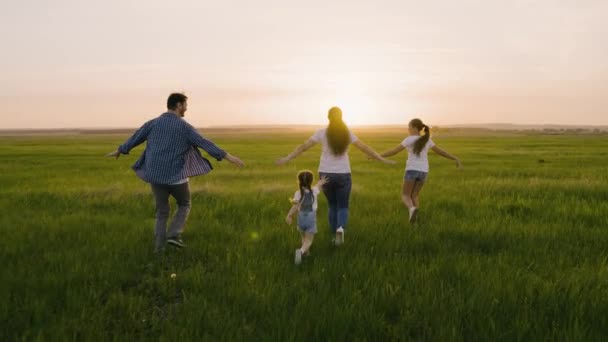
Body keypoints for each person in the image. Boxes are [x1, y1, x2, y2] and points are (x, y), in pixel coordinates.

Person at [105, 93, 244, 252]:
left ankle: (159, 249)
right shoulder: (184, 127)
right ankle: (174, 235)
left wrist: (120, 150)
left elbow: (136, 137)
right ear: (178, 105)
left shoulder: (153, 123)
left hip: (155, 176)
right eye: (185, 105)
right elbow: (205, 143)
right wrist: (229, 157)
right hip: (176, 177)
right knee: (184, 203)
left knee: (161, 212)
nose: (186, 108)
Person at [277, 106, 394, 245]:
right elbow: (363, 147)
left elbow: (303, 146)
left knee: (332, 206)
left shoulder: (321, 133)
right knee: (343, 206)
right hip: (343, 174)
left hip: (325, 174)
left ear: (328, 117)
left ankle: (334, 236)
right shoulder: (347, 133)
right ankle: (340, 229)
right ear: (341, 117)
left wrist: (287, 158)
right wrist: (381, 158)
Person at [381, 118, 461, 224]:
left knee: (405, 195)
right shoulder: (427, 140)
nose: (408, 129)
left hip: (412, 170)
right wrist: (454, 157)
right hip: (423, 171)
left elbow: (394, 151)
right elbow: (440, 151)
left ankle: (411, 209)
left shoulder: (409, 139)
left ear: (414, 128)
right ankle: (415, 220)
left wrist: (378, 156)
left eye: (409, 127)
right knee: (414, 195)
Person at [285, 171, 327, 264]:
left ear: (298, 181)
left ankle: (306, 254)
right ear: (311, 181)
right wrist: (322, 181)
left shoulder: (297, 193)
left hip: (301, 217)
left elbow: (295, 206)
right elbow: (318, 185)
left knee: (303, 236)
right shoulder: (314, 191)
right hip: (310, 217)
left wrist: (289, 215)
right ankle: (301, 251)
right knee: (309, 240)